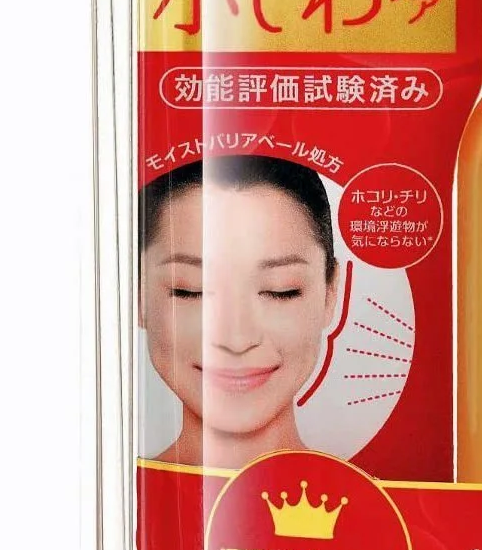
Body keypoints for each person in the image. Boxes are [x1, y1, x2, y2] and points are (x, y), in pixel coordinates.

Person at [139, 154, 340, 466]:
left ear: (330, 294)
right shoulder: (115, 491)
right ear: (138, 295)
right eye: (190, 290)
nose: (237, 340)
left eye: (281, 291)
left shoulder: (379, 496)